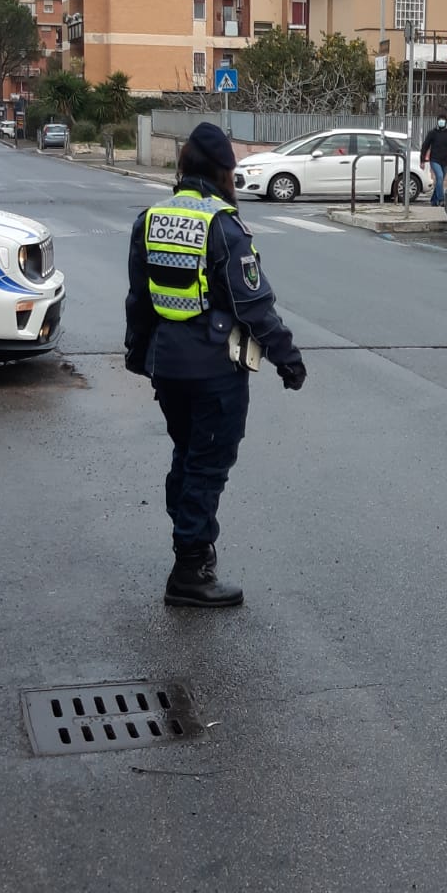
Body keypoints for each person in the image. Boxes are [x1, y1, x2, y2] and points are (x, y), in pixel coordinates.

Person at [125, 122, 306, 607]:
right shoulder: (223, 226)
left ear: (183, 166)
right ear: (224, 172)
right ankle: (190, 571)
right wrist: (288, 359)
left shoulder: (150, 218)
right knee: (207, 465)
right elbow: (253, 305)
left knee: (187, 455)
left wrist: (137, 355)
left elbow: (138, 300)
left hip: (168, 366)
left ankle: (193, 545)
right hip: (213, 370)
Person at [419, 117, 447, 206]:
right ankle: (441, 199)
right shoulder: (432, 133)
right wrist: (422, 160)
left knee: (440, 180)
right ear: (437, 121)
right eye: (440, 120)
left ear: (445, 122)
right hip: (434, 159)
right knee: (440, 176)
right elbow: (425, 146)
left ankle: (433, 201)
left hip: (445, 161)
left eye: (443, 120)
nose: (441, 122)